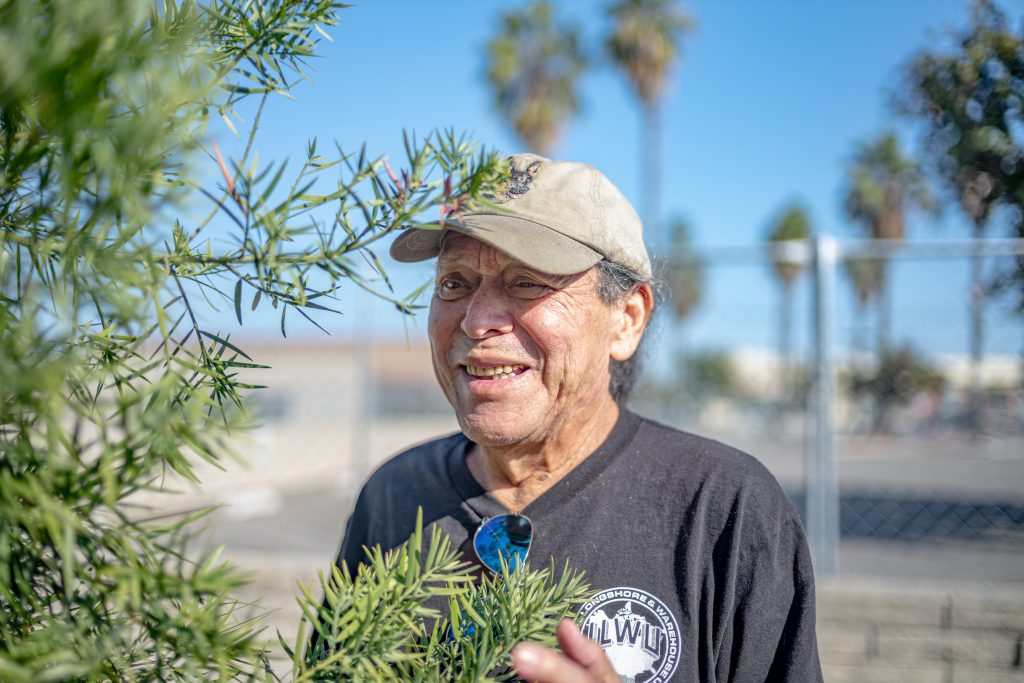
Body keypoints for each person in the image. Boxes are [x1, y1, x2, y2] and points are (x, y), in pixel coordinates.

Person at [333, 153, 823, 682]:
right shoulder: (394, 495)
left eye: (527, 282)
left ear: (626, 319)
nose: (476, 321)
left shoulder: (724, 509)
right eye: (454, 283)